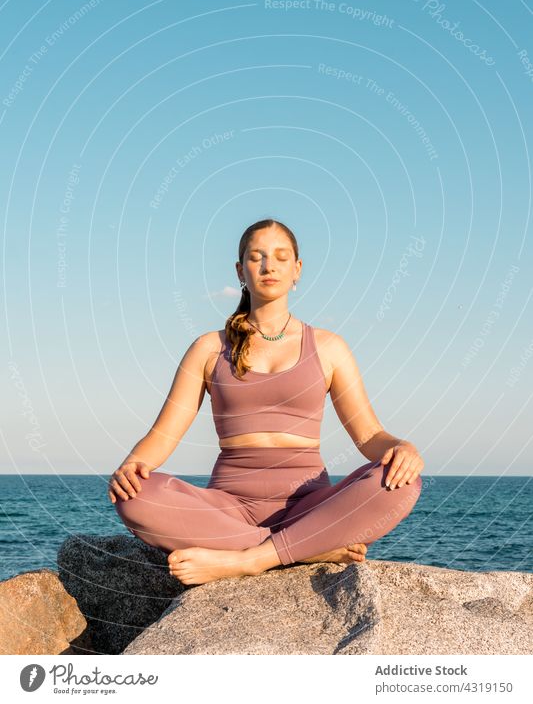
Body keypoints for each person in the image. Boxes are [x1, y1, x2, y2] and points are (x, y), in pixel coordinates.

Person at [109, 218, 424, 586]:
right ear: (240, 270)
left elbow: (369, 435)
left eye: (280, 256)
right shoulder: (209, 349)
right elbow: (163, 435)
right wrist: (132, 466)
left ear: (297, 269)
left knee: (401, 482)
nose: (269, 265)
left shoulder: (328, 347)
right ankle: (309, 547)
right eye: (256, 257)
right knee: (135, 497)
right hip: (228, 508)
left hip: (311, 506)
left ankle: (251, 559)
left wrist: (403, 447)